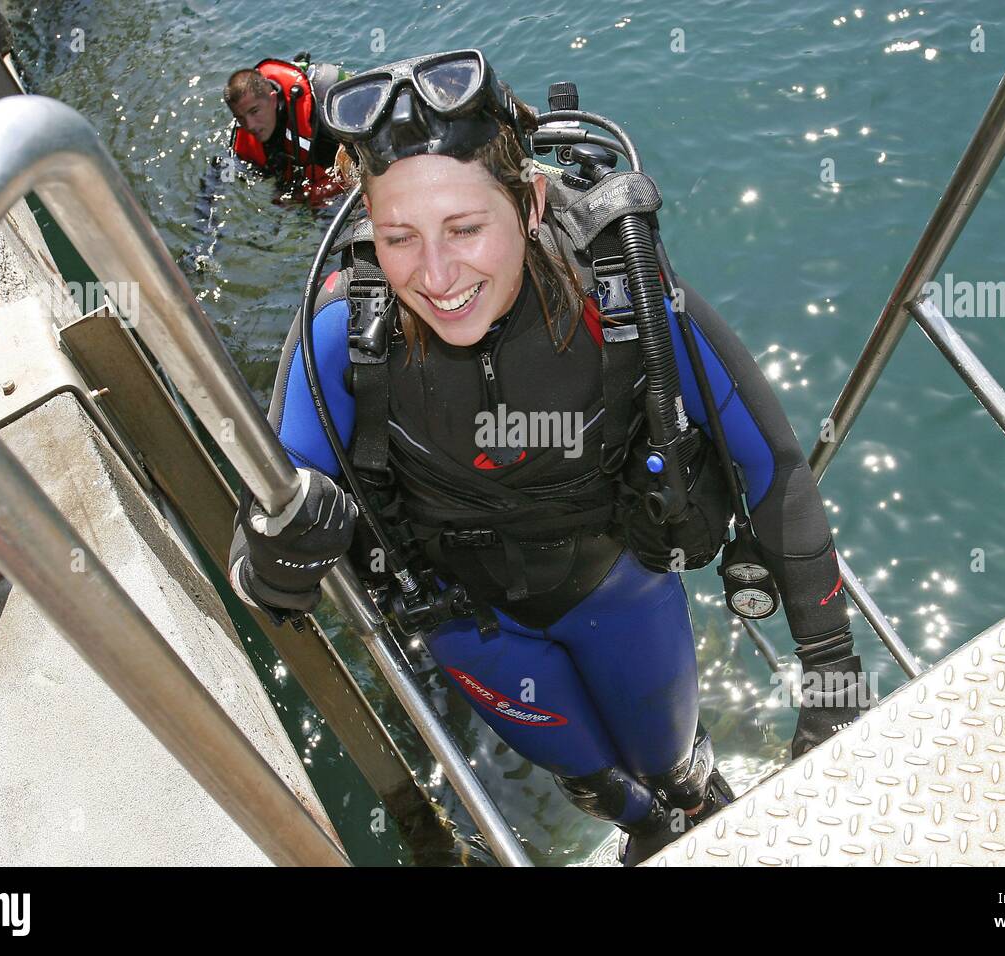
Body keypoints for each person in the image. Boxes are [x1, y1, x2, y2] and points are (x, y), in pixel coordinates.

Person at [229, 50, 872, 865]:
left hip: (619, 588)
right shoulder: (342, 335)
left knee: (678, 766)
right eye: (399, 236)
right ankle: (639, 827)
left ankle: (688, 806)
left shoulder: (622, 292)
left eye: (465, 228)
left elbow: (772, 467)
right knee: (604, 785)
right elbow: (260, 553)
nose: (435, 275)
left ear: (530, 202)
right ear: (367, 226)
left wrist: (833, 681)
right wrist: (282, 559)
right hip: (466, 620)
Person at [223, 55, 348, 206]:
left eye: (254, 111)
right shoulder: (249, 128)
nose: (250, 126)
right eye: (241, 117)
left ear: (273, 99)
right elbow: (225, 167)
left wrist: (304, 196)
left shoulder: (320, 121)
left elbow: (357, 170)